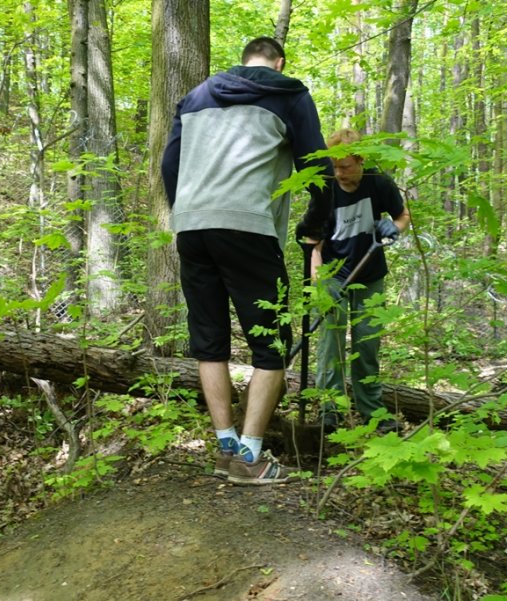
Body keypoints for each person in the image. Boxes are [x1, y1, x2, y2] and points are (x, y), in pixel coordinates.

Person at [160, 36, 332, 485]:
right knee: (271, 343)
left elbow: (169, 164)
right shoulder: (289, 92)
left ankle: (225, 448)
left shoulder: (196, 97)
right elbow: (318, 166)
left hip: (193, 225)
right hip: (248, 226)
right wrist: (316, 226)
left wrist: (188, 210)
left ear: (244, 61)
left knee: (208, 339)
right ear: (278, 62)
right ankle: (250, 458)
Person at [311, 128, 410, 434]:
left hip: (370, 274)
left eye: (345, 166)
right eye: (335, 167)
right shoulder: (325, 190)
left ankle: (372, 411)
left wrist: (393, 227)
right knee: (331, 344)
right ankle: (331, 410)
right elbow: (313, 243)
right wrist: (319, 281)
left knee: (367, 344)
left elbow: (403, 215)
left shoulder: (378, 183)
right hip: (333, 275)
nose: (339, 173)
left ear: (360, 161)